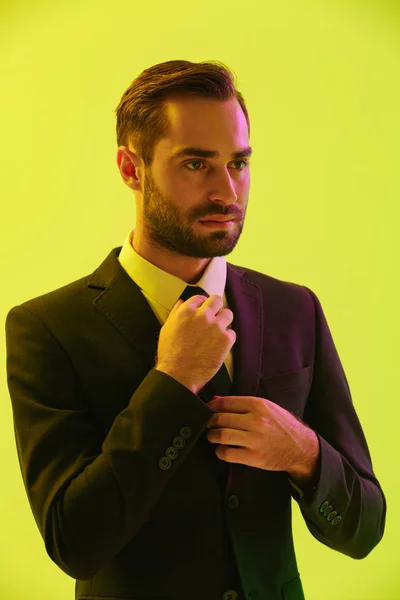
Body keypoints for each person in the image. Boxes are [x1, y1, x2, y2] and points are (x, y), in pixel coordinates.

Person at [5, 60, 386, 600]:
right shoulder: (47, 328)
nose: (227, 190)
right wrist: (173, 381)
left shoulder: (294, 309)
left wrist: (302, 454)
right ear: (131, 169)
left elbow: (365, 528)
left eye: (239, 162)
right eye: (196, 164)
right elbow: (74, 543)